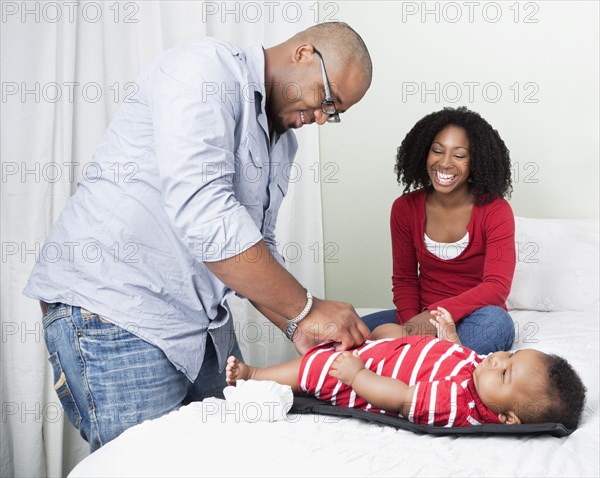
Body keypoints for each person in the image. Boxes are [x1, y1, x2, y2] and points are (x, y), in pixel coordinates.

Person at [23, 23, 372, 451]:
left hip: (195, 326)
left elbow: (253, 244)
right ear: (303, 54)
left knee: (224, 459)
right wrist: (307, 307)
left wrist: (297, 324)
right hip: (115, 313)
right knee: (146, 466)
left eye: (333, 114)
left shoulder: (283, 146)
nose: (321, 117)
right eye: (328, 99)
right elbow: (206, 216)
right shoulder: (205, 71)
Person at [226, 307, 587, 429]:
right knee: (384, 329)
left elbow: (400, 397)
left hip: (371, 373)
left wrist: (357, 375)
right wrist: (450, 339)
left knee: (319, 366)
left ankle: (255, 375)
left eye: (505, 372)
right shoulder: (484, 377)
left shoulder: (454, 404)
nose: (497, 359)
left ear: (508, 417)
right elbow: (458, 359)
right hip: (397, 348)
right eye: (509, 356)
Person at [362, 107, 516, 354]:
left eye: (460, 155)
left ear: (476, 161)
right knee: (345, 331)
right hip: (419, 317)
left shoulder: (495, 210)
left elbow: (496, 287)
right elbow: (405, 279)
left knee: (497, 327)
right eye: (437, 151)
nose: (444, 163)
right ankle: (428, 357)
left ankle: (404, 358)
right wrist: (411, 327)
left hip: (474, 318)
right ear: (424, 152)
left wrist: (433, 318)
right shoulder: (405, 208)